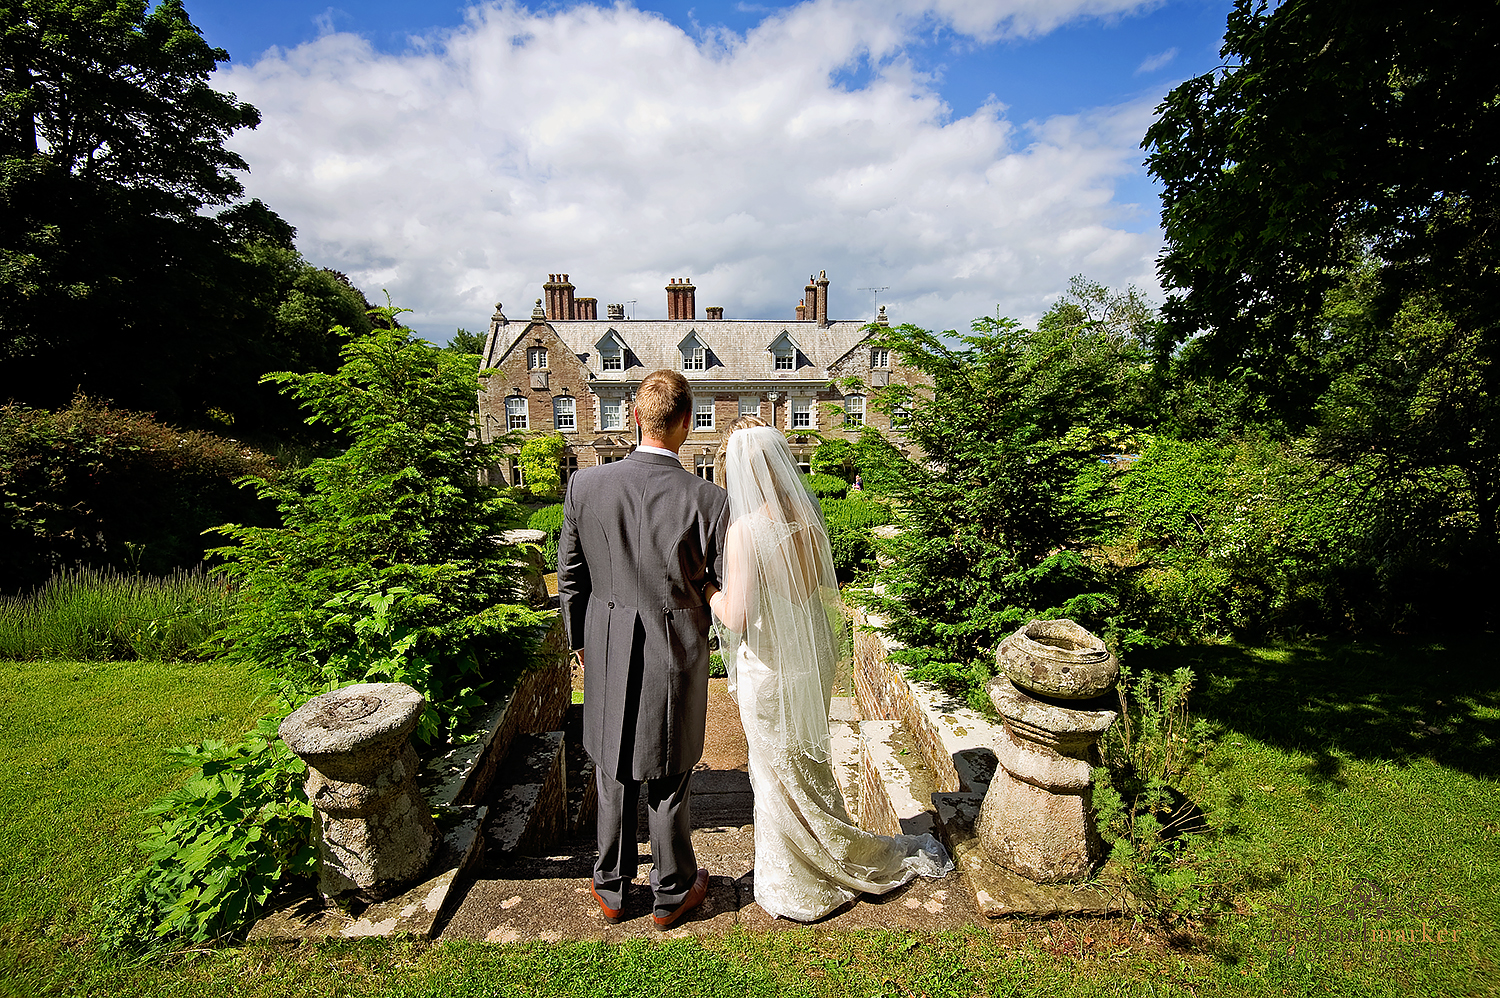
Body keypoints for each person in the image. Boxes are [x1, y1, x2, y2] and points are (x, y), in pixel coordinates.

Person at [706, 425, 952, 921]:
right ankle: (815, 859)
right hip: (812, 659)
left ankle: (794, 879)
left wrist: (705, 590)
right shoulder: (808, 522)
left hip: (771, 667)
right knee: (804, 764)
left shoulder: (745, 530)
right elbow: (811, 592)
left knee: (776, 772)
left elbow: (736, 616)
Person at [558, 369, 730, 930]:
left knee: (612, 764)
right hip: (676, 652)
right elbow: (724, 587)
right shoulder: (709, 499)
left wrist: (579, 640)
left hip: (605, 645)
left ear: (635, 416)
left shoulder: (586, 485)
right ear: (685, 424)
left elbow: (571, 578)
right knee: (671, 769)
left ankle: (610, 889)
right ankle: (673, 891)